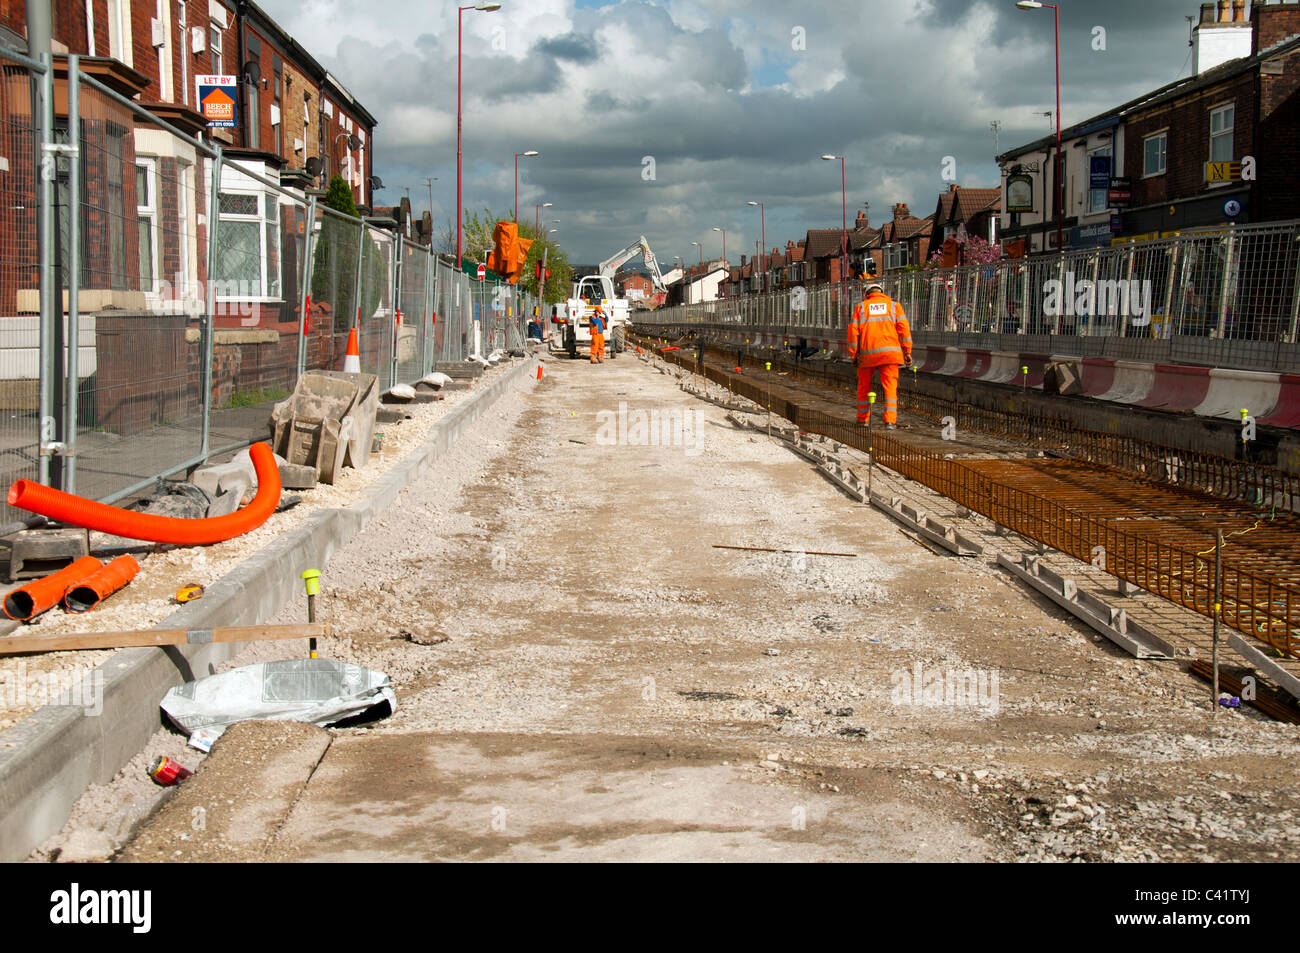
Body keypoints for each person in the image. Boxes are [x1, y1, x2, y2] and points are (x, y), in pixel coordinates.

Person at [846, 282, 911, 429]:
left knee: (864, 386)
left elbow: (852, 333)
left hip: (867, 355)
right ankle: (890, 422)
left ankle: (863, 420)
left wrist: (853, 355)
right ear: (881, 292)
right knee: (890, 388)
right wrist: (907, 352)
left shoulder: (861, 307)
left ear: (866, 294)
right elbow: (904, 330)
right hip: (890, 355)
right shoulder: (894, 306)